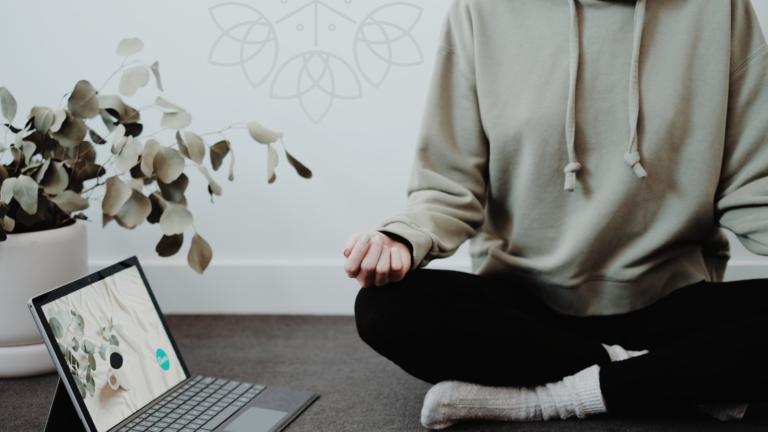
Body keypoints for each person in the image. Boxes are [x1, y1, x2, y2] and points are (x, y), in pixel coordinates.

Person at [343, 0, 768, 429]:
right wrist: (401, 238)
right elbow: (449, 185)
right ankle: (667, 374)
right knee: (387, 311)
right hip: (527, 308)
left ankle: (552, 397)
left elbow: (755, 180)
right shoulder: (479, 10)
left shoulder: (721, 9)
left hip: (668, 299)